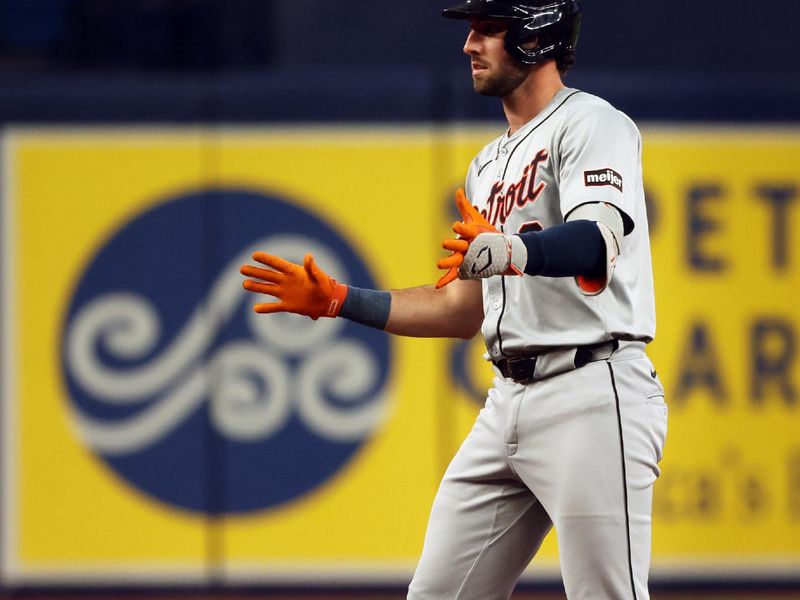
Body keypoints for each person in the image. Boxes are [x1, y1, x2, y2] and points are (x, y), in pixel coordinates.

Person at [240, 1, 667, 598]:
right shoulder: (486, 165)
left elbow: (597, 238)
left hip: (592, 391)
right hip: (508, 402)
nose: (469, 44)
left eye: (488, 29)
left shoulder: (592, 124)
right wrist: (341, 300)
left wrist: (514, 250)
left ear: (534, 35)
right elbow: (459, 310)